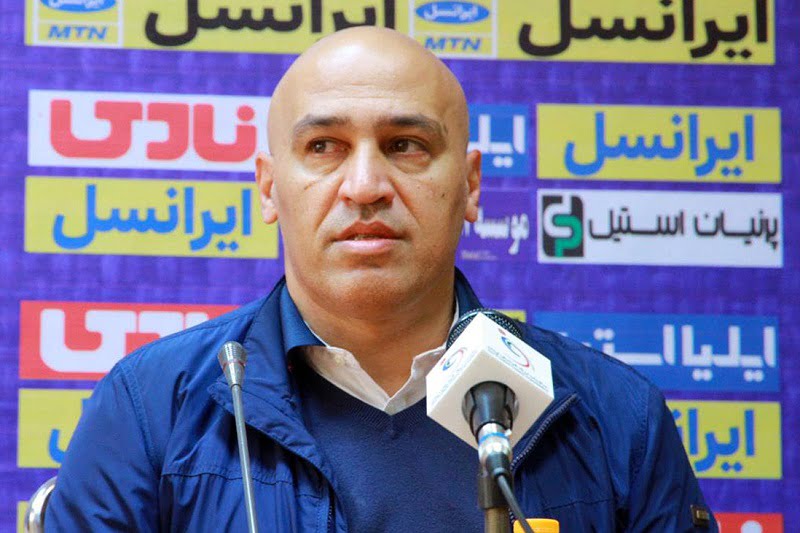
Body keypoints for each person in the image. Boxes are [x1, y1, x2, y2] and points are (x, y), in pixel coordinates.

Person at [46, 27, 716, 532]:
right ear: (269, 187)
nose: (365, 186)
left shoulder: (614, 418)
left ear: (470, 185)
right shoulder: (150, 410)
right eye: (324, 147)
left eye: (405, 145)